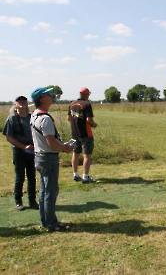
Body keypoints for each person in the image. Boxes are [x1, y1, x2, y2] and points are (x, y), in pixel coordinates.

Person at [30, 87, 74, 232]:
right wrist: (65, 148)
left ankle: (45, 220)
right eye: (48, 94)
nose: (51, 96)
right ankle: (52, 224)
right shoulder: (45, 118)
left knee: (44, 191)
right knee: (51, 191)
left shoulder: (34, 115)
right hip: (48, 158)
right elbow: (51, 142)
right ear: (42, 99)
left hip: (39, 157)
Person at [2, 95, 38, 211]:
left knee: (32, 177)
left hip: (32, 151)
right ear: (15, 104)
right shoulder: (12, 118)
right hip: (19, 151)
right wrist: (23, 146)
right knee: (20, 177)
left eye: (24, 100)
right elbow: (9, 137)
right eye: (19, 101)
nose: (22, 102)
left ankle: (32, 201)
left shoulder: (31, 117)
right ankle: (18, 202)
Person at [68, 87, 98, 184]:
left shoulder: (72, 104)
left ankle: (75, 174)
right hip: (86, 133)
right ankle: (85, 176)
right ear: (86, 95)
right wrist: (94, 124)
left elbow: (69, 118)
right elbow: (89, 120)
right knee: (87, 155)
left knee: (76, 154)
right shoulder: (87, 104)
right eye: (88, 94)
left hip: (75, 133)